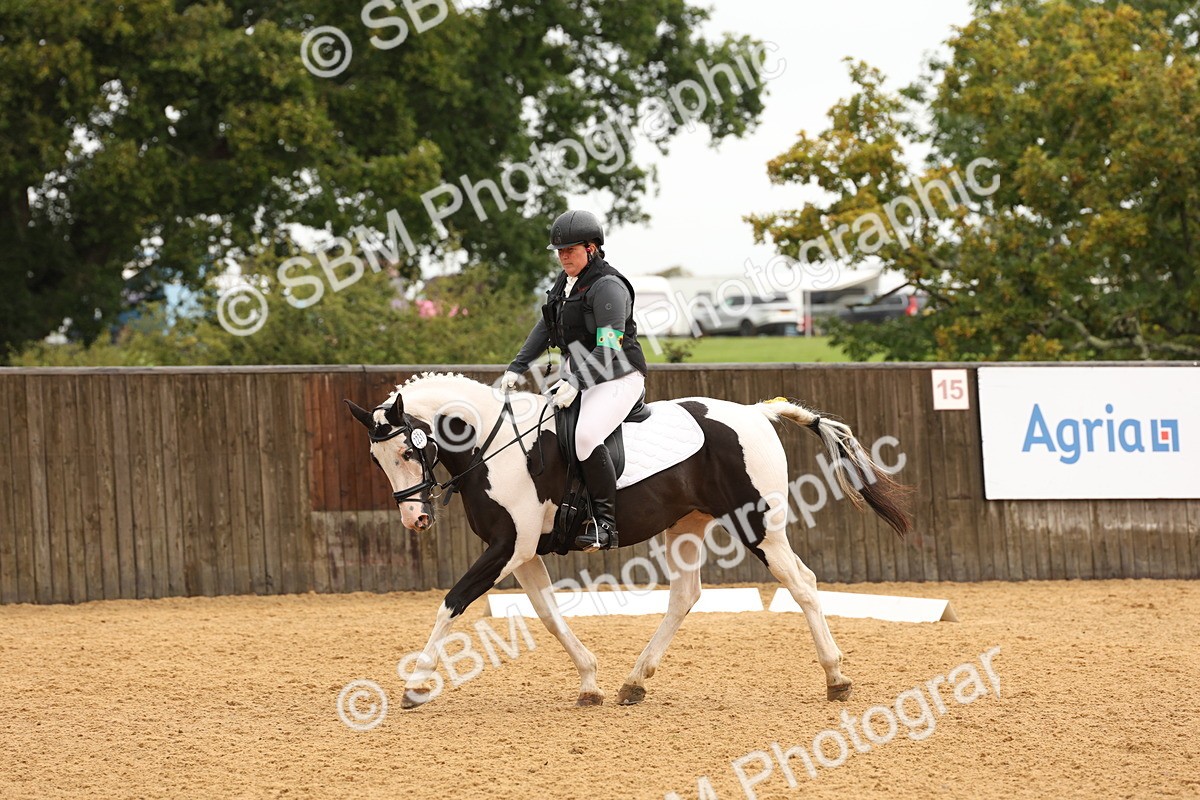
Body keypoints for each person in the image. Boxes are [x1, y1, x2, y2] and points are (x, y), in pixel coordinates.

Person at [501, 210, 648, 551]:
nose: (563, 256)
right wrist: (517, 366)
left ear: (591, 248)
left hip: (619, 375)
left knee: (585, 436)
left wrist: (577, 381)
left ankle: (606, 525)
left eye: (570, 250)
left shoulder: (608, 287)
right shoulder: (566, 283)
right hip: (580, 376)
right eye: (559, 251)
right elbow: (546, 325)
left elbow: (609, 345)